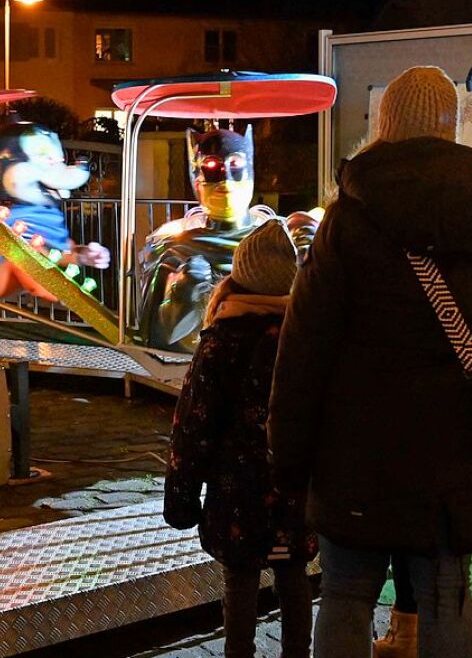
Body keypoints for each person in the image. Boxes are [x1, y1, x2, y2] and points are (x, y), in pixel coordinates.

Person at [268, 66, 472, 658]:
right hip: (464, 449)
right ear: (452, 128)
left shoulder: (346, 221)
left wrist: (289, 458)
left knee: (346, 592)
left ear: (384, 127)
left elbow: (304, 351)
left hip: (357, 450)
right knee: (448, 591)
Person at [164, 219, 316, 658]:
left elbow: (193, 424)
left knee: (241, 577)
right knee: (293, 576)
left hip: (236, 491)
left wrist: (182, 498)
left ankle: (239, 652)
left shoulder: (222, 339)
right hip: (293, 485)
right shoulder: (304, 339)